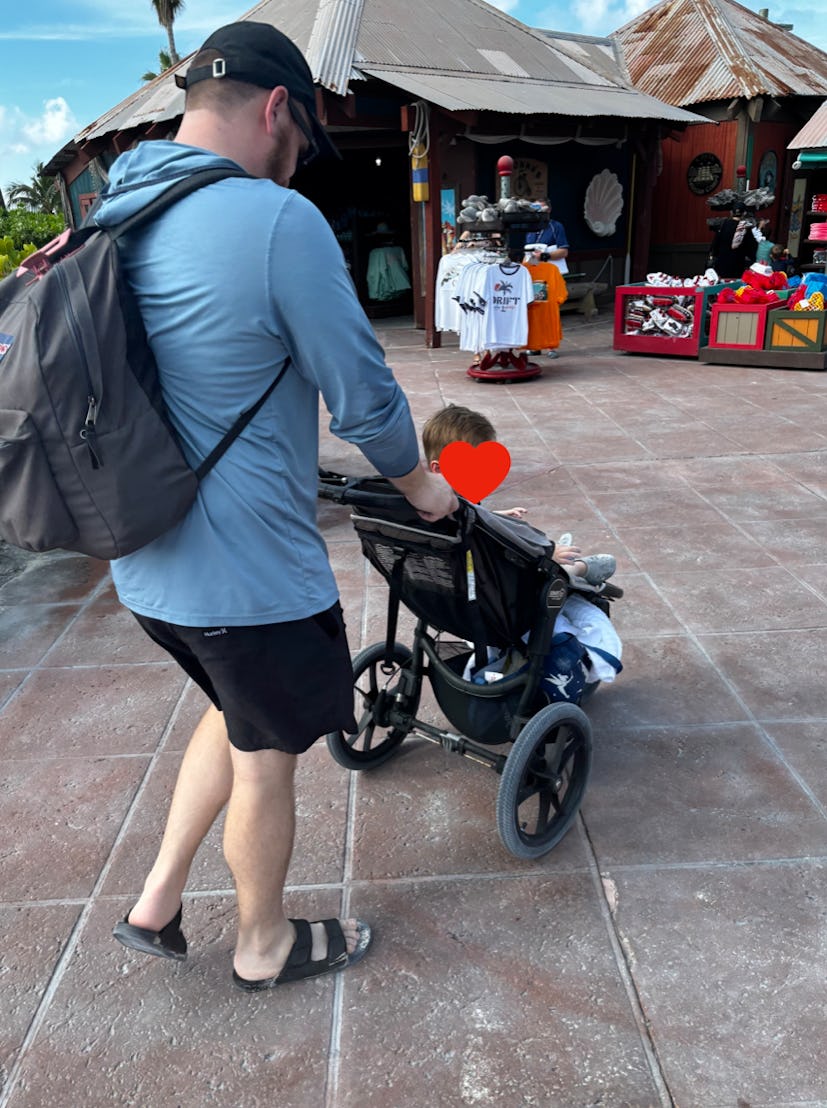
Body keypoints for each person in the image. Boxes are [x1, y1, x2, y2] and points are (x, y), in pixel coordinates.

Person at [95, 21, 457, 991]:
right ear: (273, 110)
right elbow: (366, 391)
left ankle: (156, 902)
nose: (295, 170)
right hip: (246, 578)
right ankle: (262, 944)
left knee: (230, 705)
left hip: (143, 563)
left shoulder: (116, 207)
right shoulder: (273, 222)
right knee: (267, 749)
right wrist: (422, 484)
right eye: (299, 146)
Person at [421, 404, 616, 588]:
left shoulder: (428, 504)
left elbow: (475, 520)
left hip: (445, 586)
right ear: (439, 468)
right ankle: (574, 568)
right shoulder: (454, 509)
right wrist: (548, 552)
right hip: (486, 582)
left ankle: (559, 558)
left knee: (505, 527)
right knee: (522, 536)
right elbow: (498, 534)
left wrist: (496, 515)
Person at [523, 199, 569, 358]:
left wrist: (544, 255)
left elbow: (563, 251)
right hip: (533, 274)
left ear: (548, 209)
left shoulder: (556, 226)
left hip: (551, 275)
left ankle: (551, 346)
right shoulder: (528, 228)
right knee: (533, 310)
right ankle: (535, 345)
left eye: (540, 208)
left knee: (550, 311)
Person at [708, 202, 764, 278]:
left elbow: (715, 244)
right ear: (744, 213)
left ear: (731, 212)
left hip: (721, 263)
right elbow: (752, 248)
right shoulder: (745, 228)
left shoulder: (723, 225)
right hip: (737, 264)